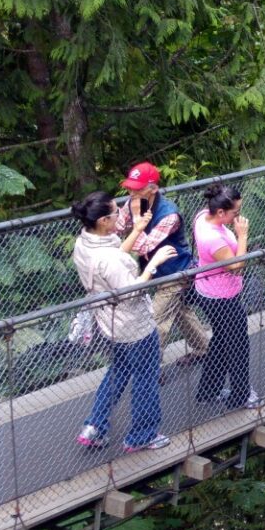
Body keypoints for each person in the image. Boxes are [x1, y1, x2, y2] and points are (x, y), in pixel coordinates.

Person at [72, 191, 177, 452]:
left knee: (118, 371)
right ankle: (142, 435)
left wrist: (137, 229)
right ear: (104, 221)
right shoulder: (108, 259)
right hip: (134, 327)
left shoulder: (84, 244)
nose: (121, 213)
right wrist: (154, 263)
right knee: (146, 378)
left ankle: (94, 426)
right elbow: (131, 292)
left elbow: (114, 258)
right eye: (116, 212)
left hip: (109, 322)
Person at [117, 163, 210, 369]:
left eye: (138, 188)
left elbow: (143, 247)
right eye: (130, 187)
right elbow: (117, 229)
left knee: (156, 320)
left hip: (175, 272)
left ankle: (149, 368)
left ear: (153, 189)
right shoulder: (133, 201)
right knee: (179, 312)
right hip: (153, 270)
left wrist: (136, 221)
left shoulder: (169, 214)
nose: (131, 192)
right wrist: (132, 216)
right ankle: (204, 349)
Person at [190, 184, 258, 411]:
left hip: (208, 289)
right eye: (235, 213)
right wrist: (243, 236)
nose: (238, 217)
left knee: (221, 340)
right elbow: (237, 266)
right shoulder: (213, 239)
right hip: (221, 298)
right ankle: (240, 396)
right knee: (238, 345)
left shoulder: (203, 216)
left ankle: (208, 390)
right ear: (220, 213)